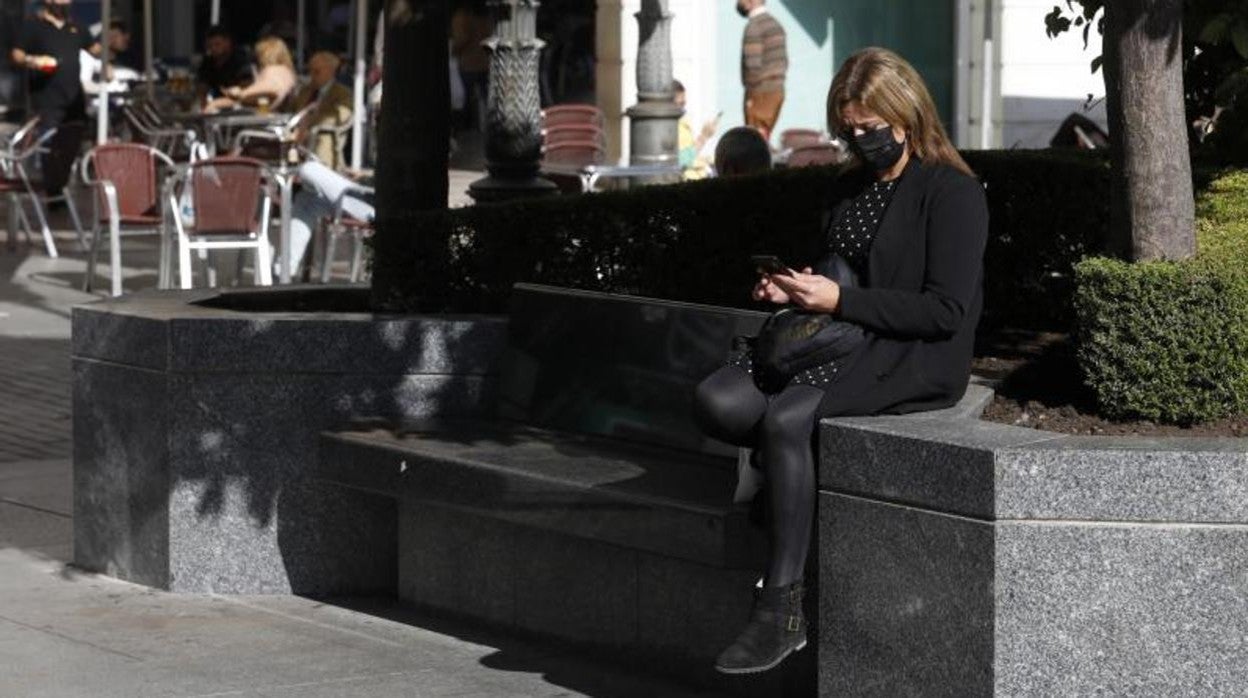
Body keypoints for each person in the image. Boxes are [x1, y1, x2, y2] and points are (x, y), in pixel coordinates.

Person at [693, 47, 988, 675]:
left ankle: (781, 611)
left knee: (785, 422)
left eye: (870, 129)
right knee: (716, 401)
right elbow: (835, 272)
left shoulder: (952, 192)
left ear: (905, 115)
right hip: (833, 335)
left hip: (907, 352)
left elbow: (945, 312)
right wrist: (793, 290)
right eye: (848, 129)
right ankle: (782, 482)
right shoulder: (847, 186)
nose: (859, 140)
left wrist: (842, 300)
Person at [10, 0, 100, 195]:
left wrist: (107, 55)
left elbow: (96, 50)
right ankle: (53, 193)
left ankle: (59, 185)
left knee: (72, 145)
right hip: (48, 100)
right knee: (50, 148)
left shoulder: (77, 28)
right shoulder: (34, 26)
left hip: (74, 101)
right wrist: (32, 60)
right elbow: (17, 54)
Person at [286, 159, 373, 275]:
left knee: (309, 168)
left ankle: (289, 173)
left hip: (370, 201)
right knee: (306, 201)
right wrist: (364, 175)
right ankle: (284, 270)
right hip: (361, 195)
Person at [287, 51, 353, 168]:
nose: (312, 75)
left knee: (323, 137)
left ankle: (322, 169)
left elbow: (341, 116)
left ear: (330, 71)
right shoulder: (305, 91)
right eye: (310, 71)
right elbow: (291, 112)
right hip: (296, 134)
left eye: (317, 71)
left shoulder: (342, 94)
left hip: (319, 134)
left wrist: (309, 125)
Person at [736, 0, 787, 143]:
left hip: (759, 93)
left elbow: (753, 67)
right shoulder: (777, 25)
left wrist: (751, 95)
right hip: (777, 91)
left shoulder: (754, 27)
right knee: (763, 139)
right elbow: (784, 62)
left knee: (753, 143)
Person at [206, 36, 296, 113]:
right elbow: (260, 99)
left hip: (265, 126)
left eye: (257, 56)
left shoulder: (275, 70)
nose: (256, 61)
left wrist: (241, 93)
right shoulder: (285, 71)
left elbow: (272, 88)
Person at [451, 1, 492, 133]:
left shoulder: (461, 16)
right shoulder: (485, 16)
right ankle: (487, 126)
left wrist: (453, 50)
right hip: (484, 62)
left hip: (468, 62)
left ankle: (467, 127)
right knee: (486, 96)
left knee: (466, 98)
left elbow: (462, 38)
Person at [673, 79, 719, 180]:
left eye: (684, 104)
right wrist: (704, 136)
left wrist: (704, 160)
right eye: (680, 104)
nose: (683, 109)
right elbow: (682, 160)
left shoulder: (682, 123)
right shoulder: (669, 127)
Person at [196, 25, 250, 101]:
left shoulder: (241, 61)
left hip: (241, 107)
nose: (213, 49)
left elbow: (245, 92)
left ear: (228, 43)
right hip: (216, 106)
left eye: (217, 44)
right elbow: (202, 89)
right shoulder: (208, 62)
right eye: (210, 46)